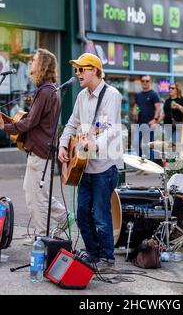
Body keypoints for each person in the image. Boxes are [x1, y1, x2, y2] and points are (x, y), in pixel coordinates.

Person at [0, 48, 68, 238]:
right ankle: (64, 218)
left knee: (37, 200)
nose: (30, 63)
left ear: (42, 65)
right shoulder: (48, 90)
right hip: (40, 151)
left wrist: (6, 127)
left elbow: (29, 122)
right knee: (33, 193)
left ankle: (42, 237)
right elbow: (32, 121)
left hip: (40, 153)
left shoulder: (45, 92)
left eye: (34, 60)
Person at [58, 53, 122, 271]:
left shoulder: (111, 95)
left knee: (101, 214)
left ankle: (107, 259)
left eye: (81, 69)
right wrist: (62, 144)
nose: (77, 74)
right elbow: (71, 123)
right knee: (83, 212)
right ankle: (93, 254)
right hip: (84, 165)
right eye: (76, 70)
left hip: (104, 166)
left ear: (94, 70)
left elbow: (110, 127)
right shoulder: (81, 97)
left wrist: (97, 144)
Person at [132, 75, 162, 161]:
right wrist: (136, 111)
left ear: (150, 82)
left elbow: (158, 108)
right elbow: (137, 106)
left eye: (147, 81)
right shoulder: (139, 95)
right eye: (143, 81)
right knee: (135, 143)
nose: (145, 82)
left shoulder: (154, 94)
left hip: (150, 123)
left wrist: (155, 120)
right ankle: (142, 162)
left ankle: (151, 165)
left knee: (149, 145)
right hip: (140, 123)